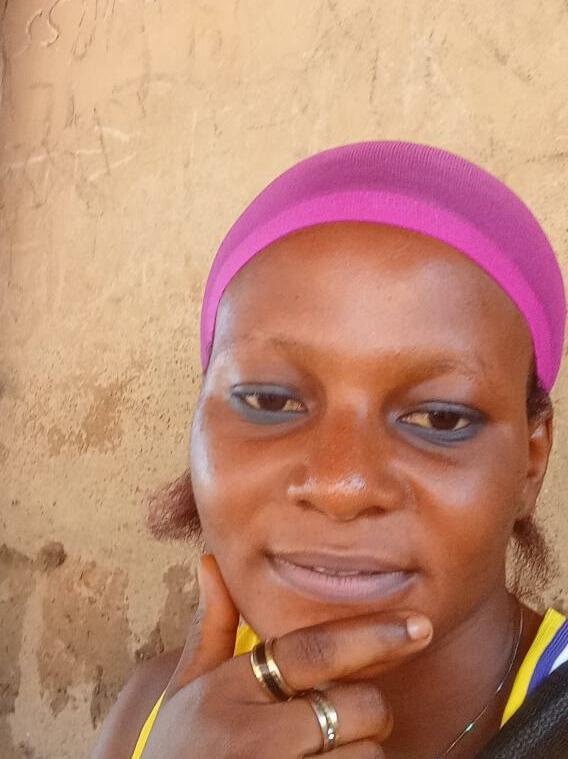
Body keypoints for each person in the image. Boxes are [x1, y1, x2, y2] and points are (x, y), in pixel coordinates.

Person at [92, 141, 568, 759]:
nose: (341, 487)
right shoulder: (155, 719)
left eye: (440, 418)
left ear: (531, 462)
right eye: (269, 401)